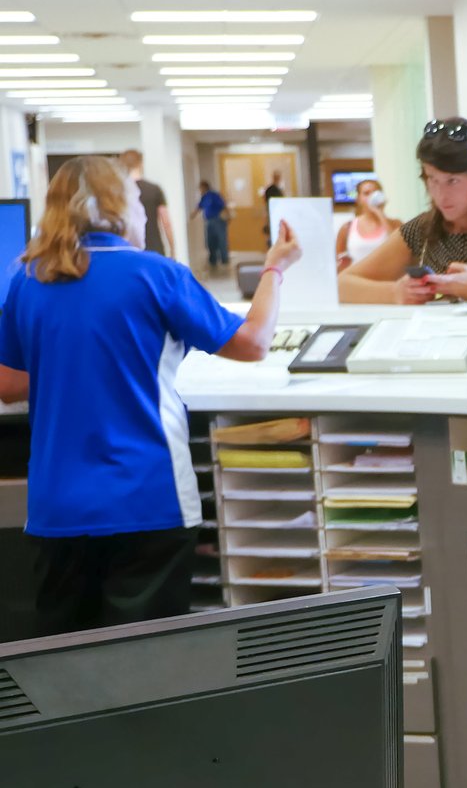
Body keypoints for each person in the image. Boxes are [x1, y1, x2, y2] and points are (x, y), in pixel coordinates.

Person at [0, 157, 298, 636]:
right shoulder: (156, 274)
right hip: (148, 500)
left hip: (58, 508)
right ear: (119, 208)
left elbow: (9, 384)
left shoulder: (29, 280)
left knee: (64, 664)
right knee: (144, 665)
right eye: (138, 201)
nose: (143, 212)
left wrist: (73, 364)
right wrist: (273, 270)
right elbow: (253, 343)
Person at [337, 120, 467, 304]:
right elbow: (343, 284)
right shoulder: (423, 228)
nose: (441, 194)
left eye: (453, 181)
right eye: (432, 179)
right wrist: (395, 292)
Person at [335, 177, 401, 273]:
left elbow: (398, 248)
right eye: (366, 193)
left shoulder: (395, 223)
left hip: (387, 282)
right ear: (358, 199)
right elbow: (339, 263)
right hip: (358, 282)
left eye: (376, 192)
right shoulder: (347, 228)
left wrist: (380, 213)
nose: (372, 196)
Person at [119, 149, 176, 260]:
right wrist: (173, 249)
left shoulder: (119, 191)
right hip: (154, 248)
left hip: (128, 250)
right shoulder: (154, 189)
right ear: (140, 163)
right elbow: (166, 222)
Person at [191, 178, 230, 274]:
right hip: (209, 222)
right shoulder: (204, 197)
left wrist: (227, 216)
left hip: (217, 220)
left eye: (200, 188)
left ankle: (224, 261)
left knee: (221, 241)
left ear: (204, 187)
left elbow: (223, 205)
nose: (200, 190)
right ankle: (213, 261)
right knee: (210, 242)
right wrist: (192, 216)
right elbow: (199, 207)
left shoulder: (214, 195)